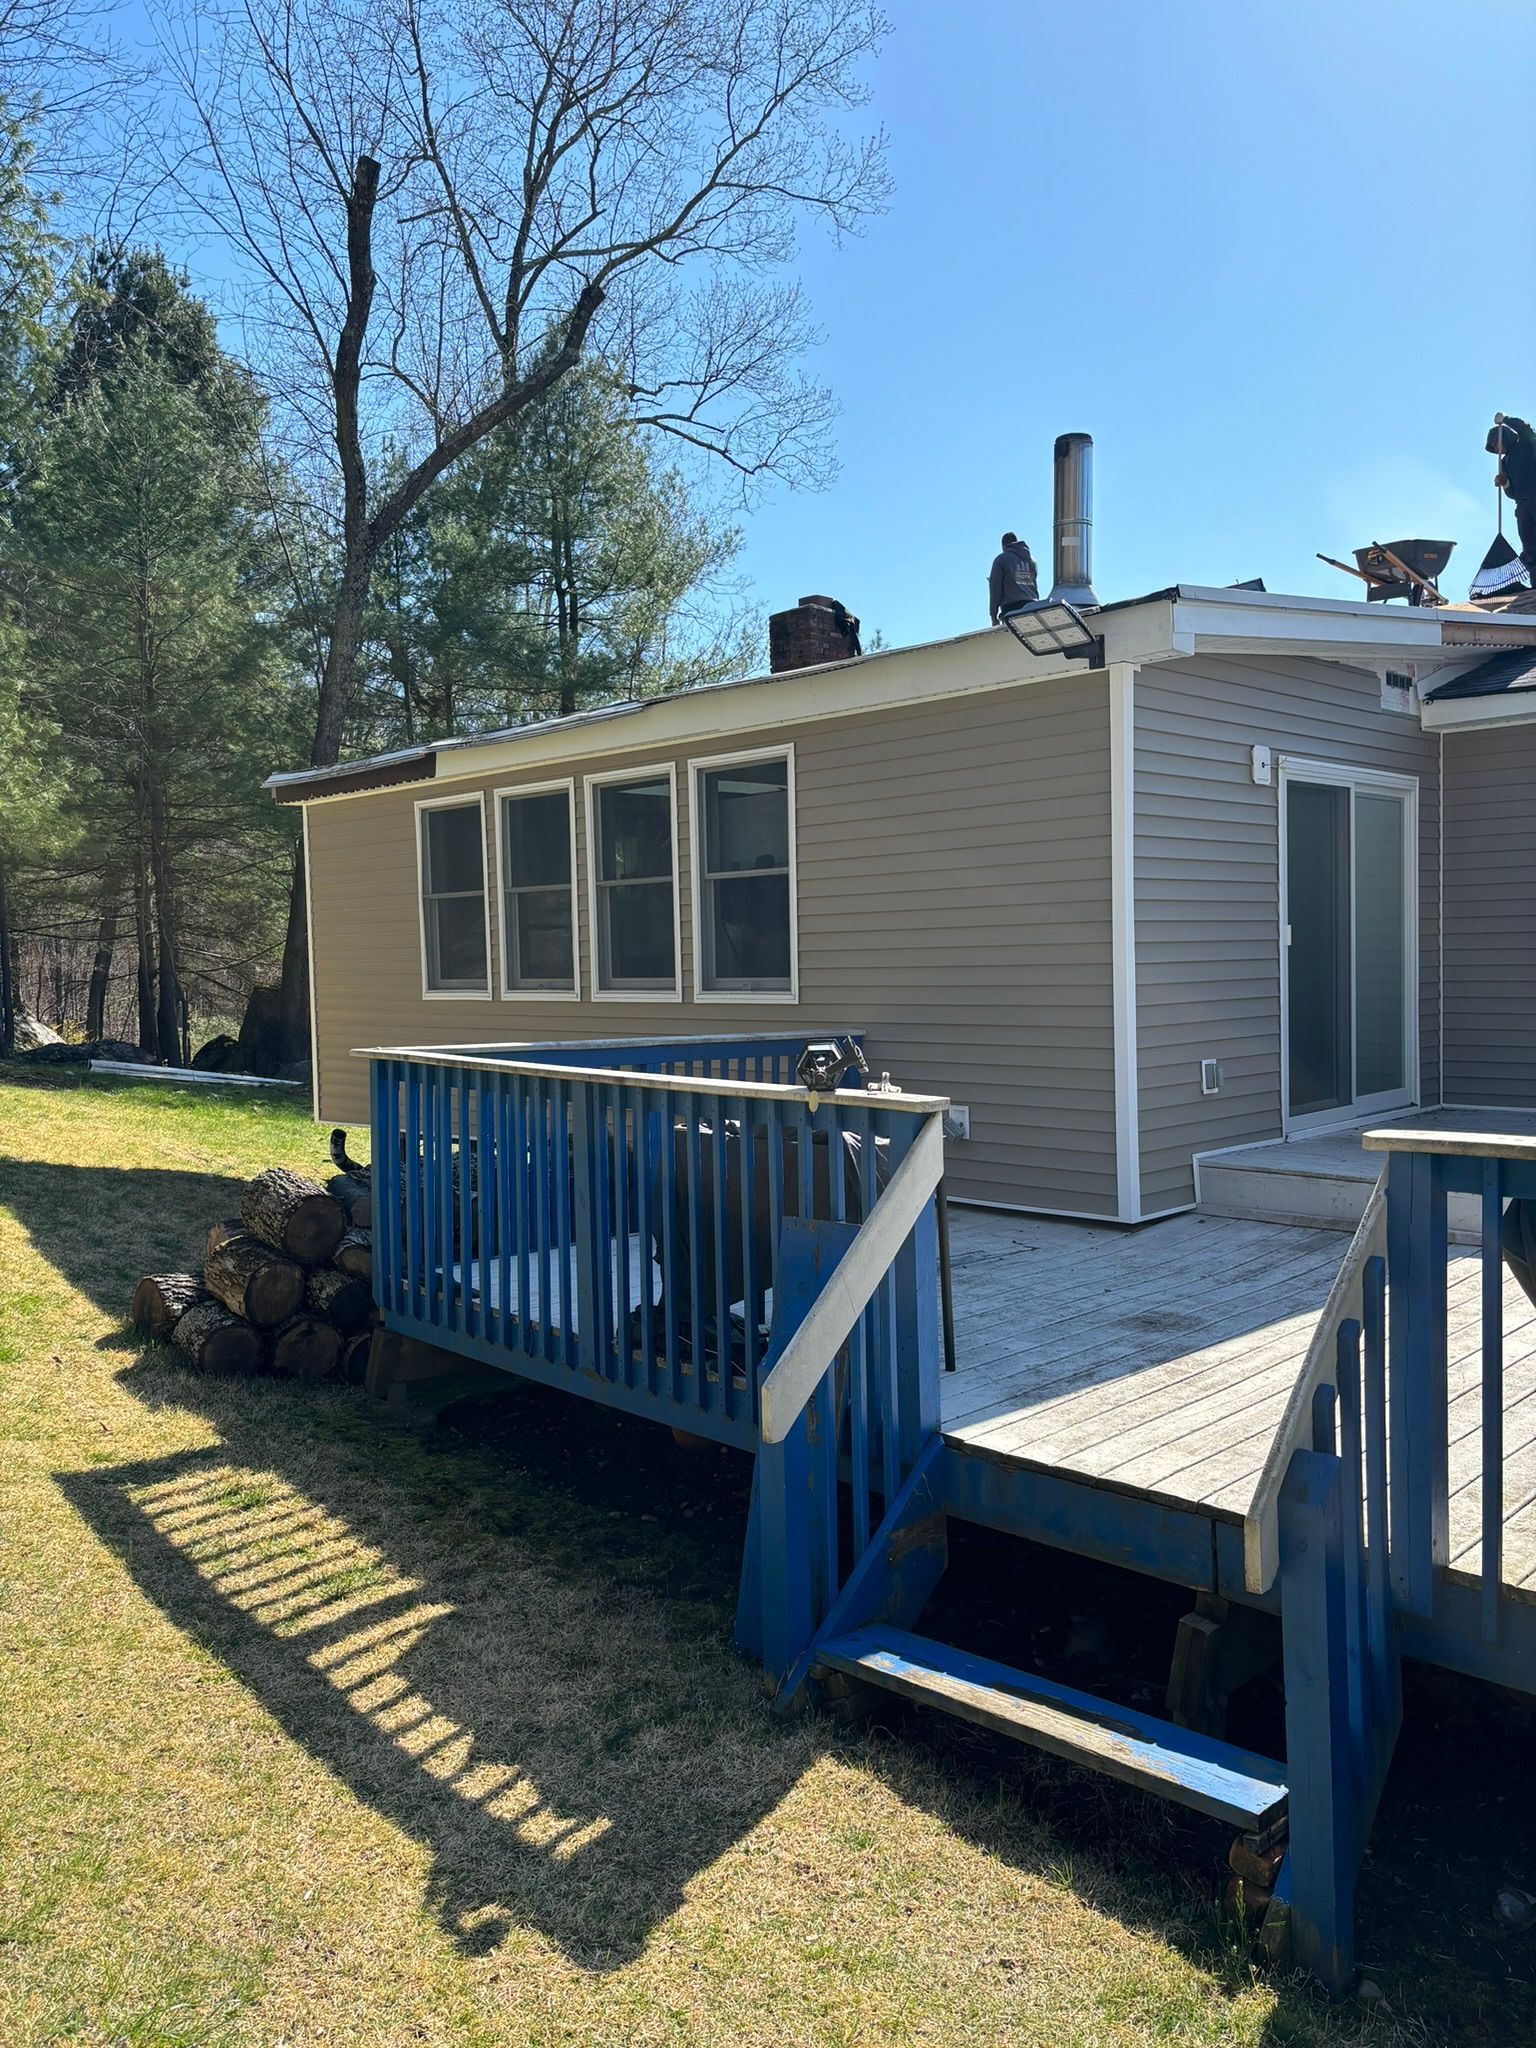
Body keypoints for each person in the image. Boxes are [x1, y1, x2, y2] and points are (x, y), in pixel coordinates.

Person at [1488, 415, 1536, 570]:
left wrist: (1506, 419)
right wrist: (1505, 483)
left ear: (1504, 437)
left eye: (1495, 443)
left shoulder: (1525, 444)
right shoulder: (1504, 463)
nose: (1496, 448)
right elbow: (1512, 494)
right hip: (1523, 506)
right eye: (1493, 447)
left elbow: (1525, 430)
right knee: (1530, 547)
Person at [989, 531, 1039, 625]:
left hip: (1011, 608)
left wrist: (993, 616)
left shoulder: (1001, 559)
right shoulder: (1032, 560)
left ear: (1003, 546)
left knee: (1013, 636)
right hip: (1032, 606)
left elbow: (995, 589)